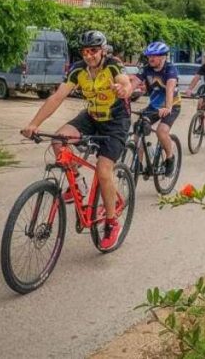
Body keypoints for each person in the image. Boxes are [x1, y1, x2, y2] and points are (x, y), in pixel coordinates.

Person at [21, 30, 132, 249]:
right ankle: (77, 184)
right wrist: (34, 124)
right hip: (91, 116)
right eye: (85, 51)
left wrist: (123, 89)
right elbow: (57, 97)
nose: (89, 55)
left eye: (93, 51)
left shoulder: (113, 65)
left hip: (116, 121)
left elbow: (126, 83)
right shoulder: (78, 69)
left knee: (103, 169)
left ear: (102, 50)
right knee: (58, 141)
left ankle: (111, 222)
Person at [133, 41, 181, 173]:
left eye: (154, 56)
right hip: (154, 106)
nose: (151, 59)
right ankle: (139, 162)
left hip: (172, 105)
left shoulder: (170, 70)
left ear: (163, 57)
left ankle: (170, 158)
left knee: (161, 131)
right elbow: (134, 83)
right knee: (138, 129)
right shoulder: (146, 68)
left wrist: (168, 107)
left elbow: (170, 90)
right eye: (149, 56)